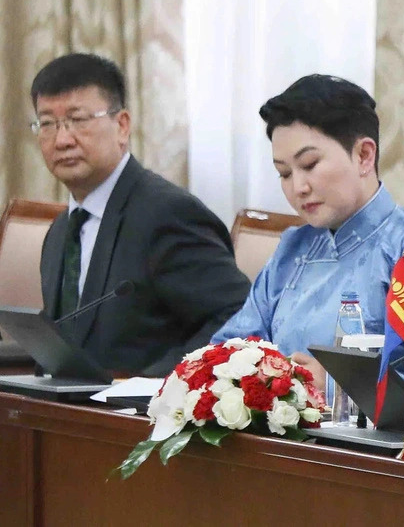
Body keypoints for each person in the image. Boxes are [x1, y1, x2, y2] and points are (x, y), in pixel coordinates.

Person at [212, 74, 404, 421]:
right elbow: (230, 349)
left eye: (309, 165)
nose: (298, 187)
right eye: (284, 173)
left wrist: (340, 387)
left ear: (363, 156)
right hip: (295, 442)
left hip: (395, 449)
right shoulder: (292, 250)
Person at [31, 53, 249, 377]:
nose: (62, 140)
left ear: (122, 126)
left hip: (146, 405)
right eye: (48, 123)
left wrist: (149, 384)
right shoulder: (61, 230)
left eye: (78, 120)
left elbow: (236, 319)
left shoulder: (168, 214)